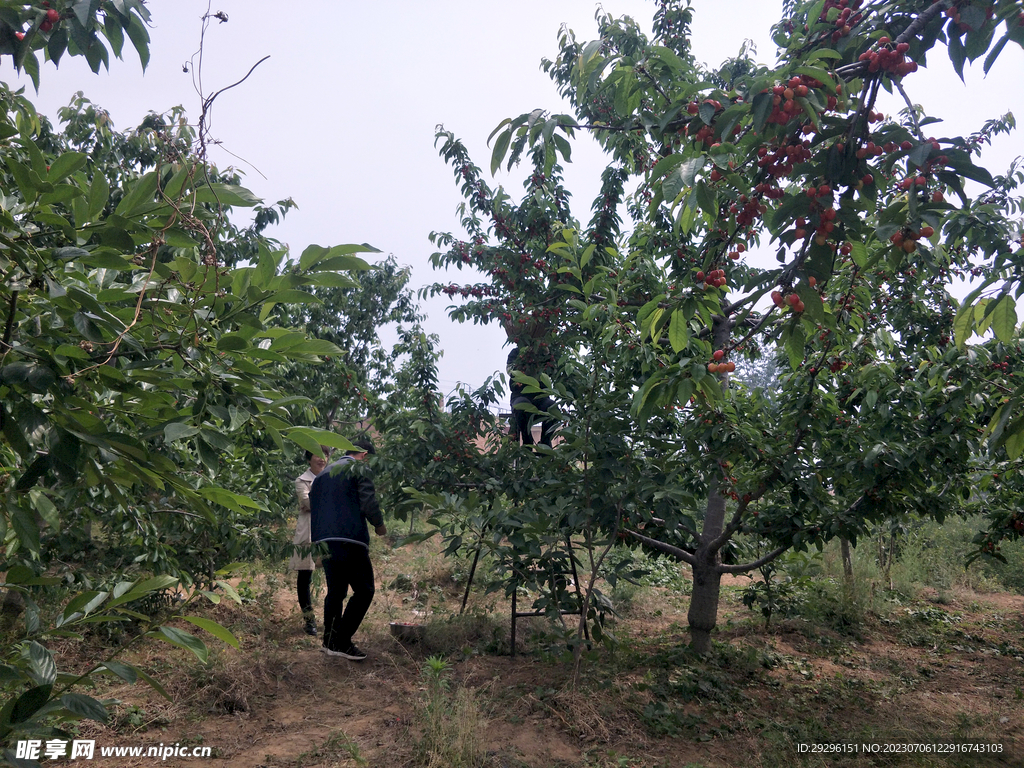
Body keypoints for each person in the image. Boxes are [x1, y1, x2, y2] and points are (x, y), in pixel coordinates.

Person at [308, 438, 387, 660]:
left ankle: (330, 641)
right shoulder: (359, 467)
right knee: (364, 590)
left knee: (336, 591)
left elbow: (314, 507)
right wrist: (379, 526)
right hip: (349, 538)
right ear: (364, 456)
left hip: (325, 540)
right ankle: (341, 641)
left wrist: (317, 544)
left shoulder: (323, 474)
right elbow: (368, 501)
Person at [291, 447, 329, 636]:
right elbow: (308, 503)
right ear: (309, 459)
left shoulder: (332, 478)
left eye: (325, 456)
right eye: (317, 455)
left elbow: (313, 504)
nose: (322, 459)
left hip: (329, 532)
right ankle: (309, 621)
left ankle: (332, 619)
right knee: (304, 577)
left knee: (334, 575)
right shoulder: (301, 480)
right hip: (308, 534)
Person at [507, 346, 556, 447]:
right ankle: (527, 440)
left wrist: (546, 354)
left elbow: (551, 371)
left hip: (540, 397)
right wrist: (522, 360)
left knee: (553, 408)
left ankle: (545, 442)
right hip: (520, 395)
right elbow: (510, 370)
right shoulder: (516, 352)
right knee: (521, 406)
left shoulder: (543, 353)